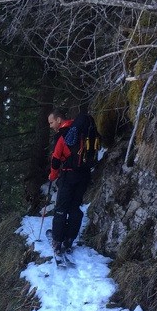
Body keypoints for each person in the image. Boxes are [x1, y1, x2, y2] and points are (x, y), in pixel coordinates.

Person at [47, 107, 98, 263]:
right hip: (84, 175)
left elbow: (56, 159)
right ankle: (69, 238)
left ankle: (57, 241)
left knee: (61, 209)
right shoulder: (82, 131)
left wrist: (52, 175)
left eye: (51, 122)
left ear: (59, 120)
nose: (50, 126)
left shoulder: (63, 135)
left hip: (69, 175)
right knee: (75, 207)